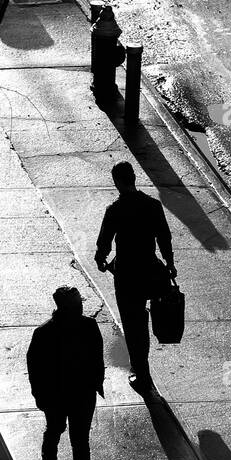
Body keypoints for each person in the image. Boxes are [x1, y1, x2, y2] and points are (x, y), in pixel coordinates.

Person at [95, 161, 176, 395]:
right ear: (134, 178)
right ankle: (144, 364)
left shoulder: (115, 210)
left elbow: (104, 243)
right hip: (150, 270)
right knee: (147, 318)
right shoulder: (152, 205)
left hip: (127, 276)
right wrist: (170, 263)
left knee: (134, 326)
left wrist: (101, 259)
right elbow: (164, 237)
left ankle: (142, 372)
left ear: (117, 182)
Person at [26, 285, 105, 460]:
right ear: (67, 306)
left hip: (67, 397)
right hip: (67, 397)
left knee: (77, 443)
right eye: (77, 302)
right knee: (74, 441)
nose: (81, 306)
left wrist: (41, 397)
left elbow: (34, 369)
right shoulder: (79, 328)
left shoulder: (45, 333)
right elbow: (35, 369)